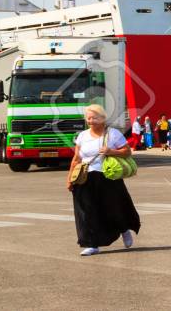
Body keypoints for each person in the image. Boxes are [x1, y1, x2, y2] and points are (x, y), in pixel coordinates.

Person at [67, 104, 141, 256]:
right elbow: (76, 159)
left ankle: (124, 229)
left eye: (94, 118)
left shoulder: (112, 134)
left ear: (102, 119)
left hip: (108, 177)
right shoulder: (82, 136)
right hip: (85, 178)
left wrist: (111, 151)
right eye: (88, 118)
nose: (91, 121)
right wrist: (70, 179)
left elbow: (127, 152)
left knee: (114, 208)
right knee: (86, 212)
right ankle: (91, 244)